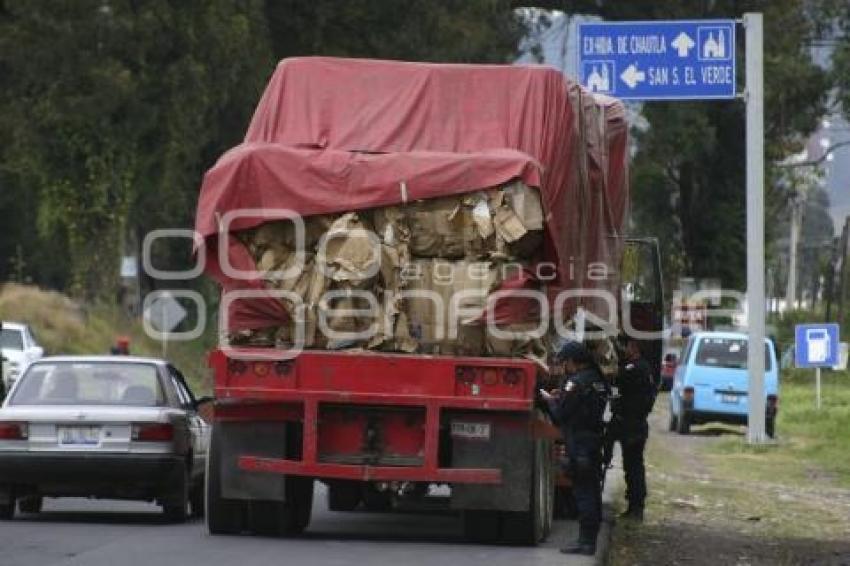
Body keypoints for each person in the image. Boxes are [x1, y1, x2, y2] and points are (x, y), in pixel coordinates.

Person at [541, 341, 608, 556]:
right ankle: (589, 540)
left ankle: (586, 543)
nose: (564, 367)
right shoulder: (597, 380)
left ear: (572, 361)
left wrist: (550, 401)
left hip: (579, 445)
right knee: (593, 493)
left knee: (584, 494)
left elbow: (560, 416)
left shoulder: (576, 383)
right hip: (593, 442)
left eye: (565, 363)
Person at [611, 337, 657, 521]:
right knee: (634, 465)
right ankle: (635, 506)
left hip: (631, 424)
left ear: (635, 348)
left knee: (633, 467)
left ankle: (636, 507)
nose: (625, 350)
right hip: (636, 424)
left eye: (628, 346)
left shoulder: (634, 368)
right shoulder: (645, 368)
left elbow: (618, 378)